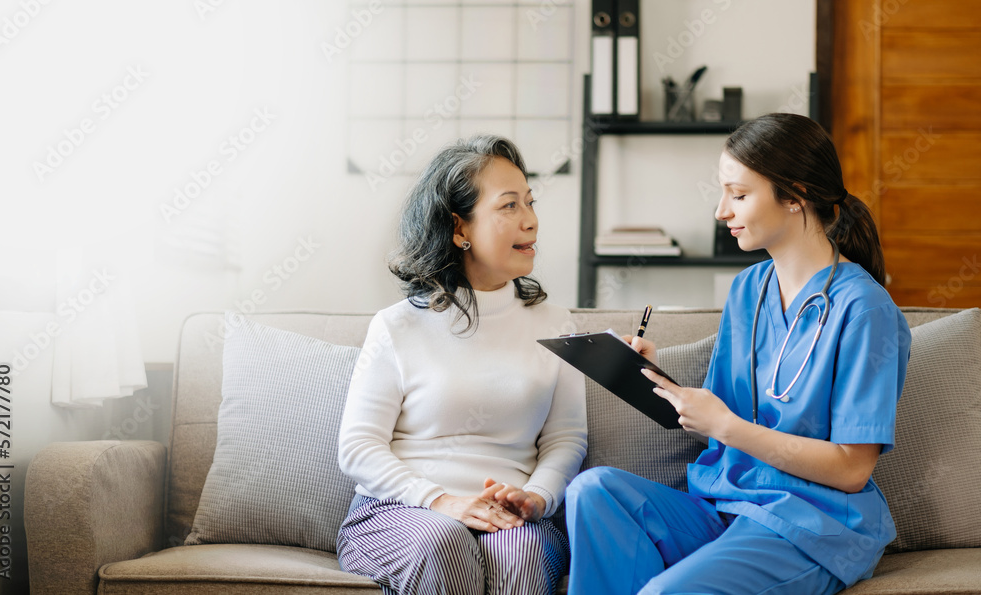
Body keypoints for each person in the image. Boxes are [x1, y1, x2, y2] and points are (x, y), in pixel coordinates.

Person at [565, 113, 912, 595]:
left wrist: (725, 426)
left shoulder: (865, 309)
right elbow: (722, 411)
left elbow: (852, 469)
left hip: (809, 525)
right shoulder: (749, 289)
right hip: (726, 503)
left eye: (739, 194)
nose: (721, 211)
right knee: (594, 491)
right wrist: (646, 373)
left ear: (794, 195)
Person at [336, 134, 588, 595]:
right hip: (403, 512)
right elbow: (358, 447)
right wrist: (442, 500)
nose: (530, 221)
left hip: (514, 518)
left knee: (523, 551)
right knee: (444, 539)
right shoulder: (397, 327)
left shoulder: (558, 326)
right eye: (509, 206)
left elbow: (567, 438)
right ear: (459, 229)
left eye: (530, 203)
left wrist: (537, 498)